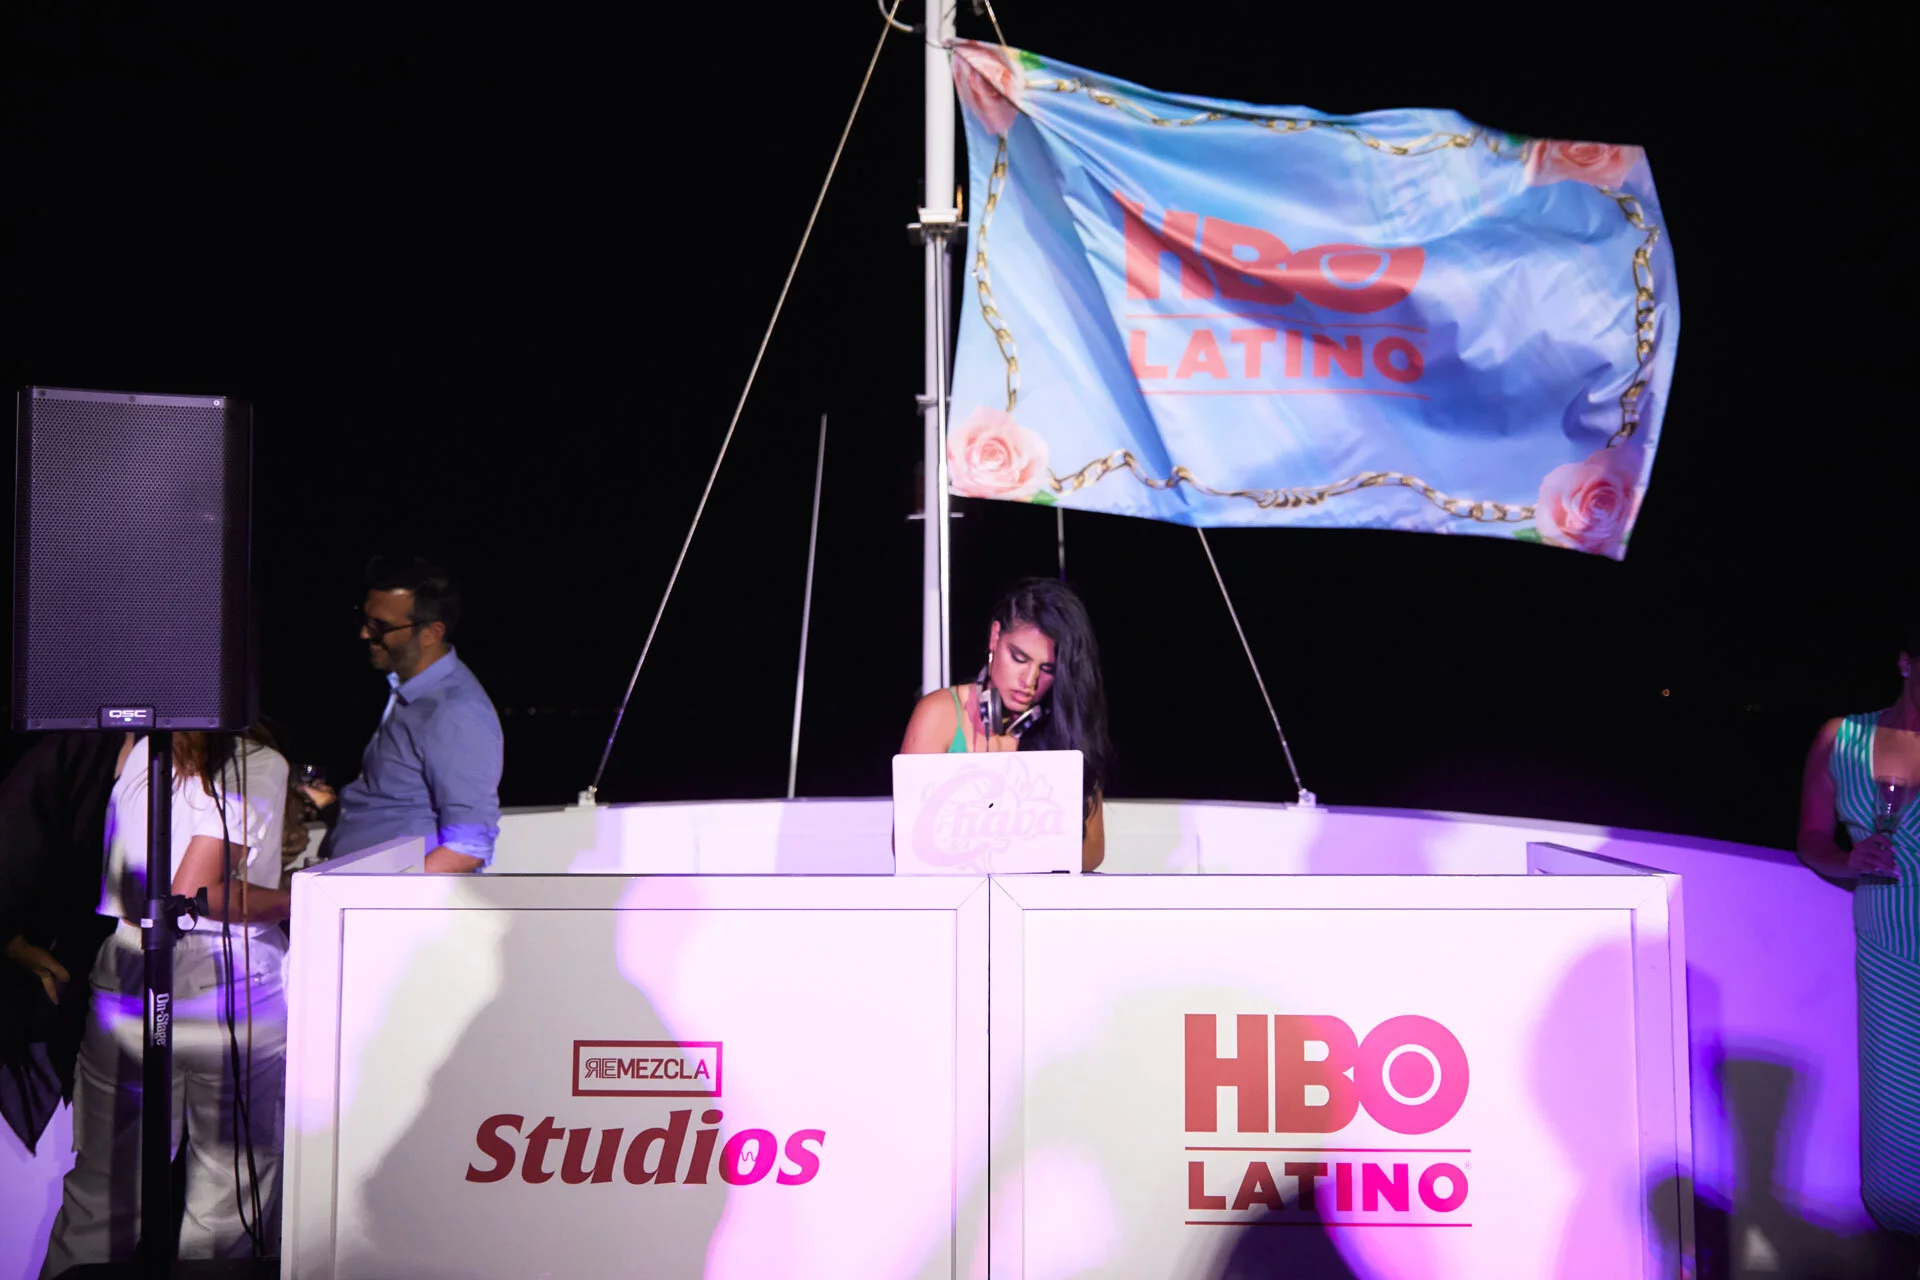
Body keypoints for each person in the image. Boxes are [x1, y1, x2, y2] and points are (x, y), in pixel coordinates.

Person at [39, 729, 292, 1274]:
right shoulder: (256, 762)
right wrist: (305, 896)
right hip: (227, 981)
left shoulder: (130, 750)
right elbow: (196, 892)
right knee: (228, 1198)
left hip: (129, 966)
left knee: (103, 1190)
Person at [1796, 627, 1920, 1237]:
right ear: (1905, 662)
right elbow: (1813, 836)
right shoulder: (1841, 738)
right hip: (1889, 950)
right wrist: (1848, 861)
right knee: (1898, 1105)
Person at [900, 577, 1112, 871]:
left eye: (1047, 670)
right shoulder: (940, 714)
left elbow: (1093, 851)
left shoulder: (1064, 728)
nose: (1030, 681)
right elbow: (905, 841)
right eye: (1019, 658)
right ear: (995, 637)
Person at [310, 555, 503, 873]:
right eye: (365, 619)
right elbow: (400, 802)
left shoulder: (454, 712)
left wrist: (373, 898)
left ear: (431, 633)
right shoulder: (412, 691)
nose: (364, 634)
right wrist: (335, 808)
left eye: (381, 626)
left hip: (388, 911)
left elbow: (469, 846)